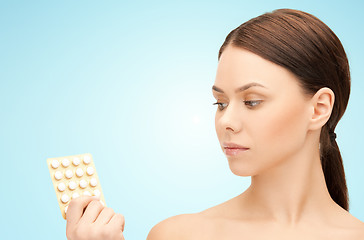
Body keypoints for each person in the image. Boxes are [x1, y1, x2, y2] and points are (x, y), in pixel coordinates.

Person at [65, 8, 364, 240]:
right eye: (220, 104)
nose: (226, 122)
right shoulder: (178, 235)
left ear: (319, 108)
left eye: (252, 101)